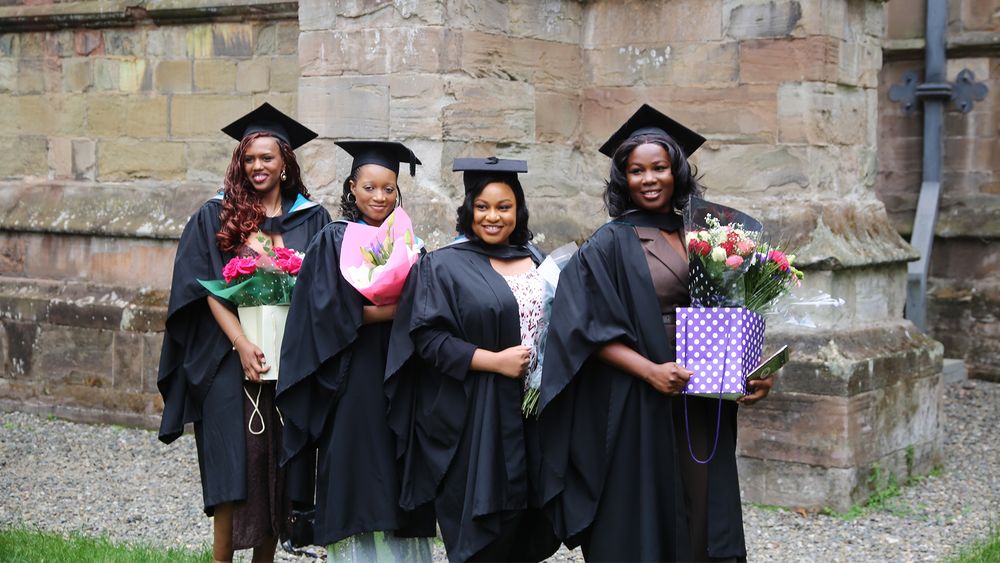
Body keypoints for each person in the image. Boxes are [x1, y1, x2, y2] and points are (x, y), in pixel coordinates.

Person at [537, 104, 771, 561]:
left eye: (659, 168)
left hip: (702, 394)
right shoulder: (609, 243)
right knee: (640, 510)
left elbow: (734, 309)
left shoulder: (709, 236)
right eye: (636, 170)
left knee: (704, 504)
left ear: (676, 171)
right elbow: (580, 326)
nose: (649, 178)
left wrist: (749, 370)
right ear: (623, 178)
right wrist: (648, 372)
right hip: (635, 399)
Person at [157, 102, 332, 563]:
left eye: (267, 158)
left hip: (287, 361)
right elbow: (202, 287)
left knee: (278, 471)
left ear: (285, 162)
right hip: (226, 360)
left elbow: (322, 292)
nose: (258, 166)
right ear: (241, 161)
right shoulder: (217, 215)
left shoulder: (312, 220)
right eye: (250, 158)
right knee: (234, 469)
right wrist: (241, 343)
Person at [385, 157, 561, 562]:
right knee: (482, 530)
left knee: (528, 521)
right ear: (468, 210)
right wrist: (492, 361)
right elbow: (426, 339)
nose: (493, 216)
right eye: (482, 207)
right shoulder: (443, 265)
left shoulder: (536, 259)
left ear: (518, 210)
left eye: (504, 206)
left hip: (534, 413)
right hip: (475, 414)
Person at [275, 141, 436, 561]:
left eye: (388, 189)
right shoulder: (333, 238)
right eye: (370, 187)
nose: (379, 197)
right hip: (350, 371)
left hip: (398, 367)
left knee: (397, 460)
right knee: (356, 463)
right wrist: (398, 310)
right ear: (352, 187)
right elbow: (326, 313)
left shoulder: (407, 242)